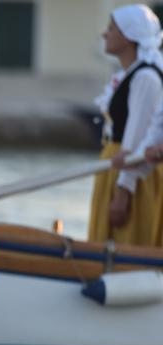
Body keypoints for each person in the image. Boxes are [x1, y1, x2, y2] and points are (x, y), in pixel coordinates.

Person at [89, 4, 163, 247]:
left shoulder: (145, 79)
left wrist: (124, 192)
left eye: (111, 29)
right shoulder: (131, 74)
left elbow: (136, 141)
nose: (104, 33)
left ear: (129, 36)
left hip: (132, 175)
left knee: (126, 241)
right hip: (115, 166)